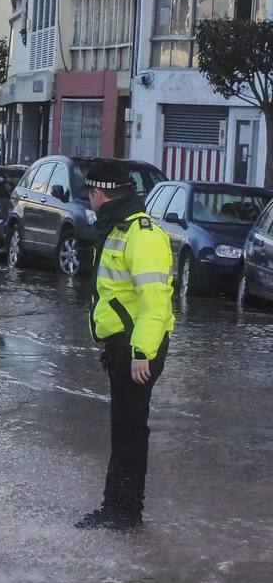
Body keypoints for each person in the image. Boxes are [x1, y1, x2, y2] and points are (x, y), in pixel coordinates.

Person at [75, 159, 175, 532]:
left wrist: (140, 354)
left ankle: (123, 513)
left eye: (90, 193)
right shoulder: (119, 228)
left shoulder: (142, 234)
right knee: (125, 429)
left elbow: (156, 303)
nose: (89, 200)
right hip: (124, 346)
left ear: (98, 193)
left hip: (138, 348)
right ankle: (119, 509)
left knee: (130, 430)